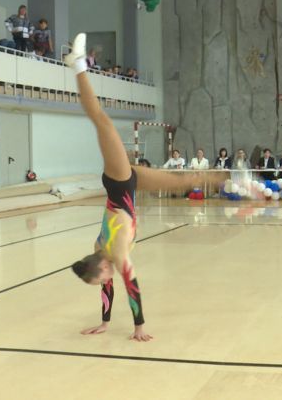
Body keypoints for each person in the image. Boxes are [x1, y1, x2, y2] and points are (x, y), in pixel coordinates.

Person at [65, 33, 226, 342]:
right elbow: (108, 287)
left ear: (103, 267)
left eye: (101, 279)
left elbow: (132, 287)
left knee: (101, 120)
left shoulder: (116, 253)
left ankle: (78, 65)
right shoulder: (100, 254)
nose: (105, 282)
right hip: (130, 185)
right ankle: (225, 178)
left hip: (119, 183)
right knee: (185, 181)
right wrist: (105, 322)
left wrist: (139, 327)